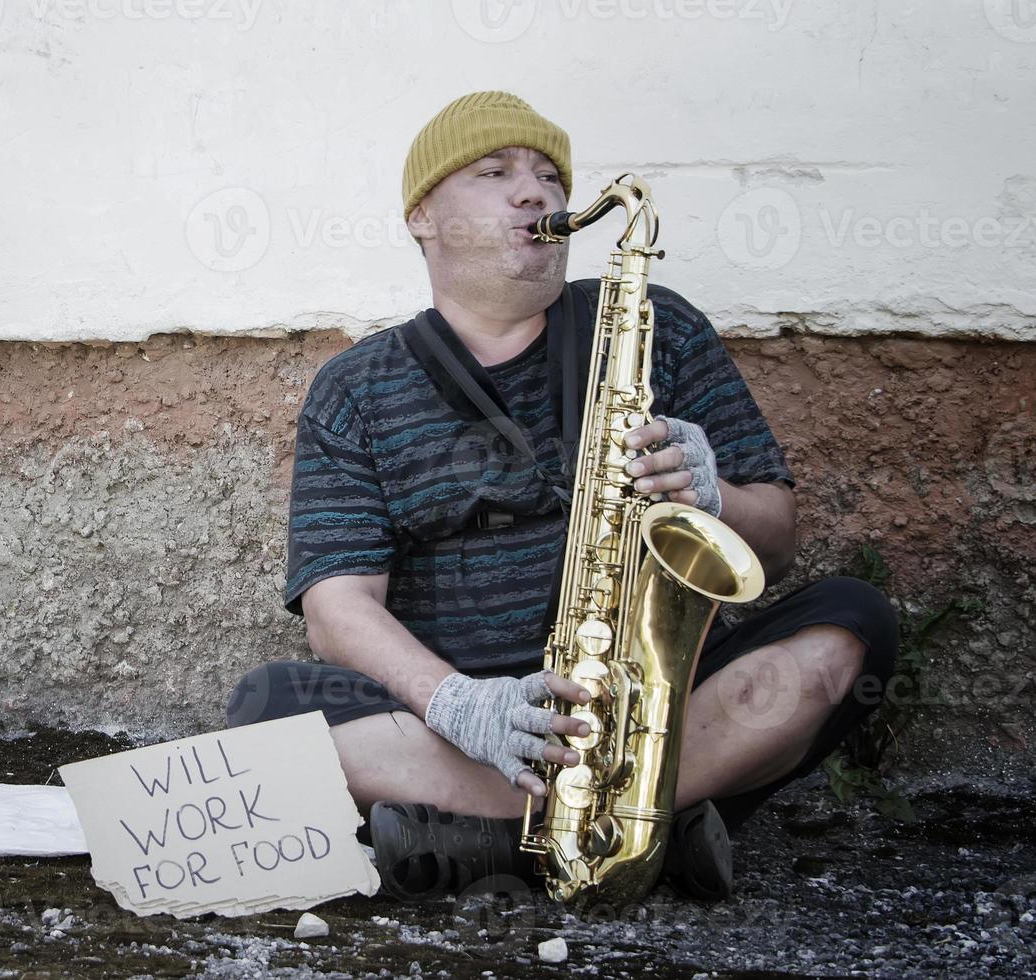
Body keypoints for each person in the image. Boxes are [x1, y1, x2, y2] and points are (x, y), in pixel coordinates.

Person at [225, 91, 898, 902]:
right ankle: (640, 831)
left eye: (549, 176)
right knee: (268, 711)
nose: (536, 192)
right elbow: (338, 609)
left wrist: (712, 495)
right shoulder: (355, 388)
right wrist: (457, 701)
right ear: (421, 217)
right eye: (495, 171)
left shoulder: (661, 326)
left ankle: (495, 842)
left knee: (849, 629)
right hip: (463, 720)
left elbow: (778, 540)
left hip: (649, 701)